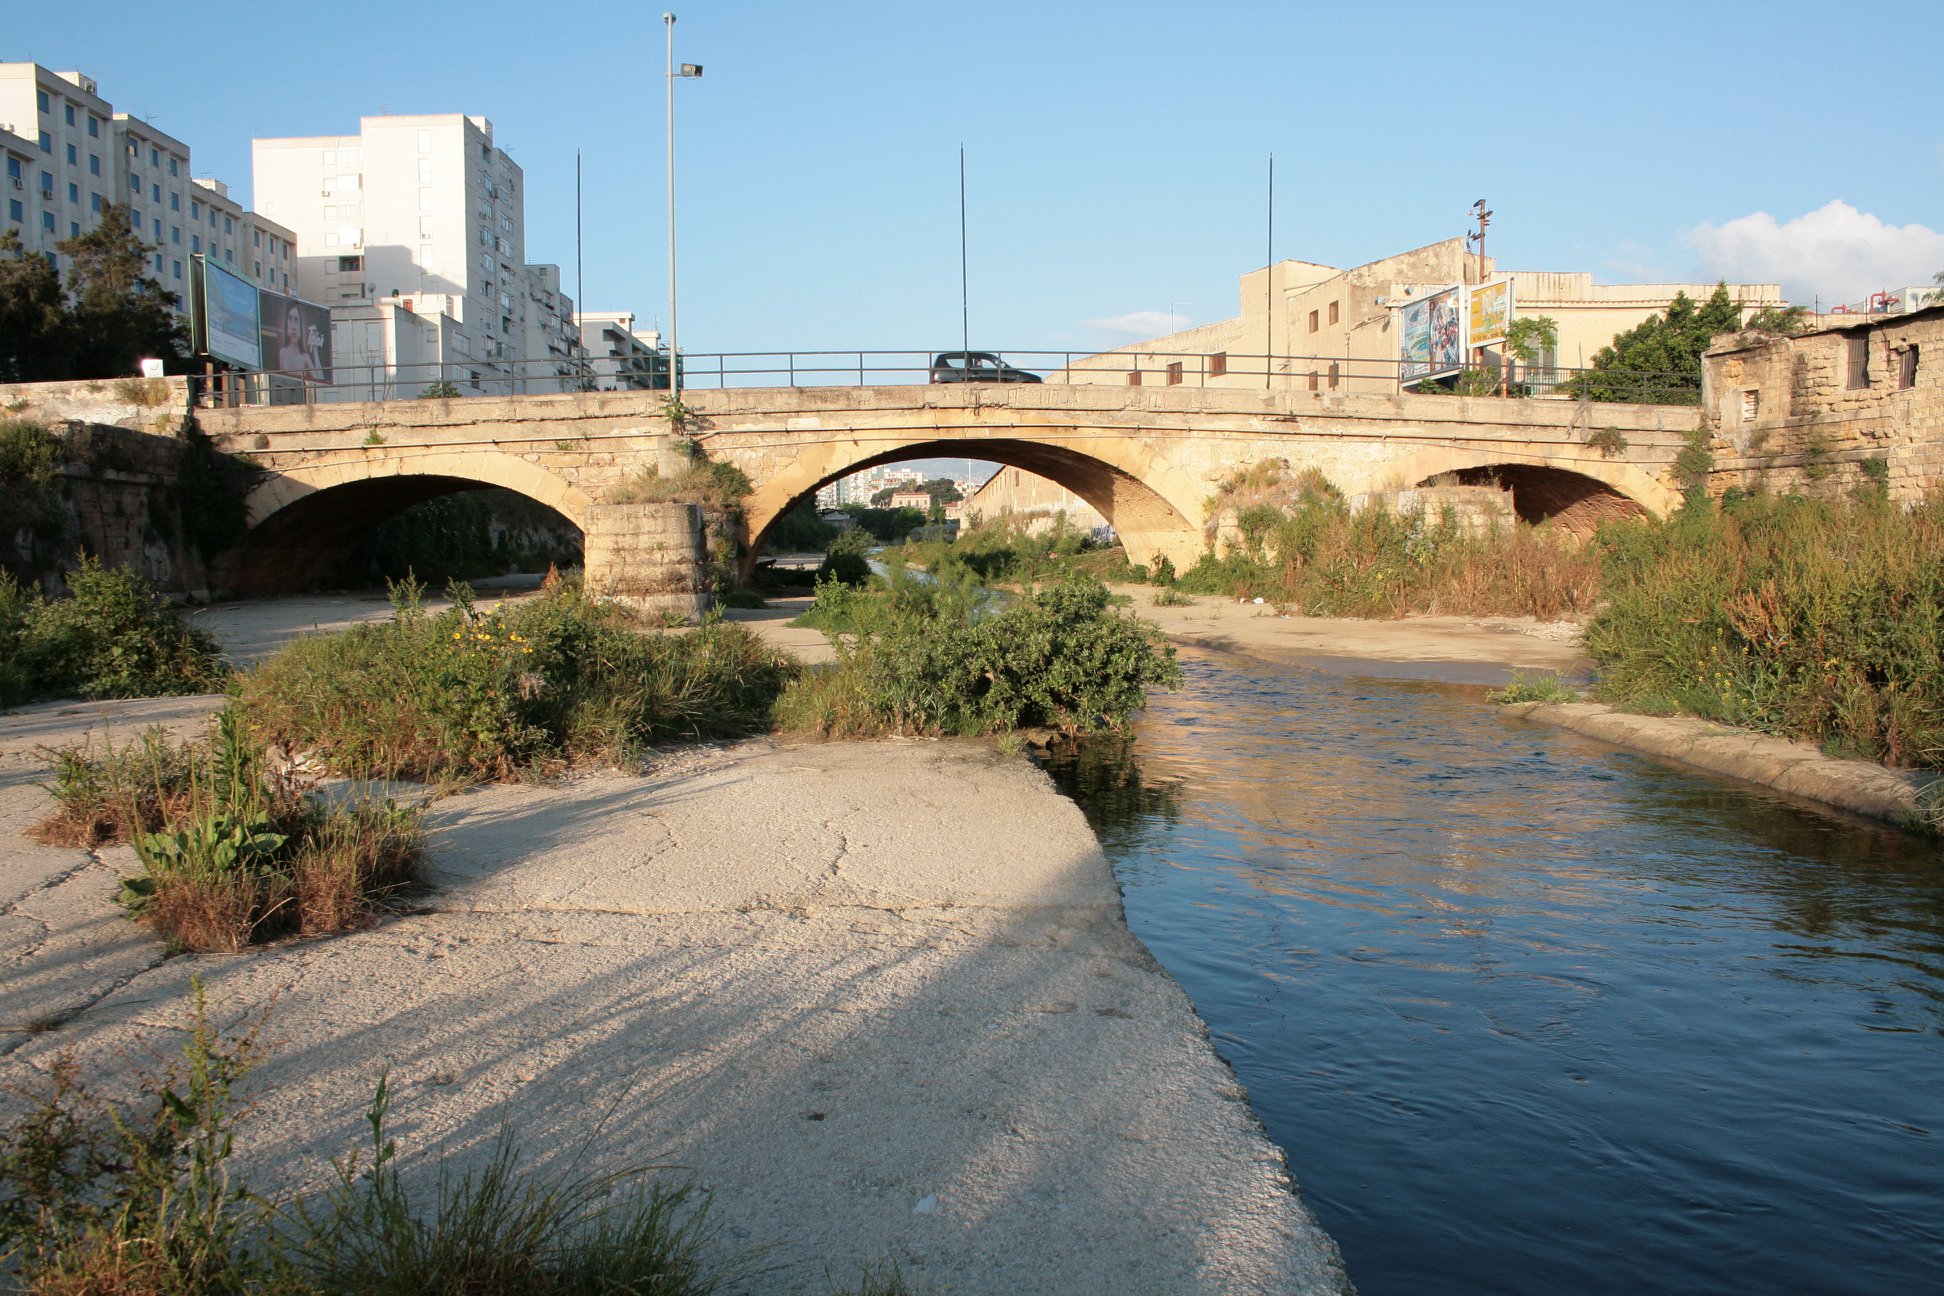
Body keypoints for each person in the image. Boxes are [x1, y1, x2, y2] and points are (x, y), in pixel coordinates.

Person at [277, 303, 322, 383]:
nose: (293, 326)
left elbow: (320, 379)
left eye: (296, 320)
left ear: (300, 325)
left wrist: (315, 348)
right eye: (290, 319)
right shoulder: (283, 352)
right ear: (286, 323)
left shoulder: (305, 357)